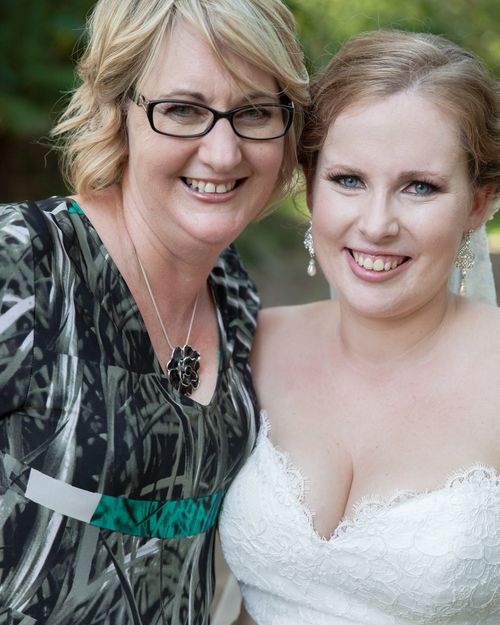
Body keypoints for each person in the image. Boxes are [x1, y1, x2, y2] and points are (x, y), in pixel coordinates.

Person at [0, 0, 308, 623]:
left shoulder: (238, 302)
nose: (223, 154)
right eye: (183, 110)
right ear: (118, 111)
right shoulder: (23, 268)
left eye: (252, 112)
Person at [220, 30, 500, 624]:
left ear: (478, 204)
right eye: (348, 180)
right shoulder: (249, 344)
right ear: (311, 188)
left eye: (418, 187)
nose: (376, 224)